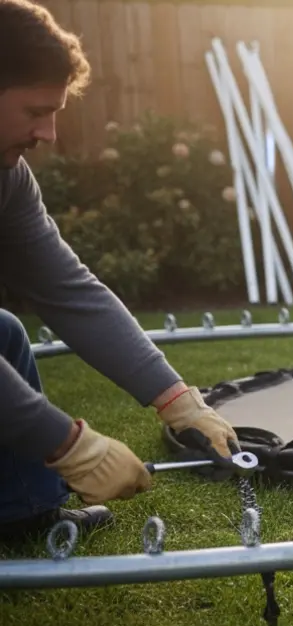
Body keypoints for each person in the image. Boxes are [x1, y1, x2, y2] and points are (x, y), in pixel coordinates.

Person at [0, 0, 239, 539]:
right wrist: (67, 444)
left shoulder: (7, 177)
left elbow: (67, 288)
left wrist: (177, 399)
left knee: (6, 332)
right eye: (35, 112)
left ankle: (24, 516)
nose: (50, 134)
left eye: (56, 112)